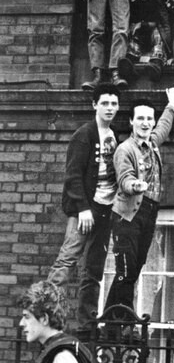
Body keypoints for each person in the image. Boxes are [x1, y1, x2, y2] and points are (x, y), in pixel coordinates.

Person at [48, 83, 120, 340]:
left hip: (106, 208)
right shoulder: (84, 135)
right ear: (94, 105)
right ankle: (50, 318)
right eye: (105, 103)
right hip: (85, 211)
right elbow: (73, 176)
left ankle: (86, 326)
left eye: (114, 103)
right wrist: (83, 209)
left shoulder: (114, 137)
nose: (109, 108)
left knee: (94, 269)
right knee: (67, 260)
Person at [103, 87, 174, 312]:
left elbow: (163, 129)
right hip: (128, 216)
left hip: (149, 213)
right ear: (131, 121)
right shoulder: (125, 149)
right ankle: (123, 321)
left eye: (149, 118)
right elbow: (124, 178)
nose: (146, 123)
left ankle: (112, 321)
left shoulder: (153, 144)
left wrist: (171, 106)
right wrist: (135, 185)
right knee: (126, 271)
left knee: (134, 269)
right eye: (140, 118)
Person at [118, 0, 170, 84]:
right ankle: (129, 65)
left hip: (154, 39)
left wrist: (143, 25)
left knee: (156, 33)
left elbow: (162, 24)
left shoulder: (157, 0)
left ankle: (156, 65)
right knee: (134, 35)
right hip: (139, 41)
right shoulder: (131, 2)